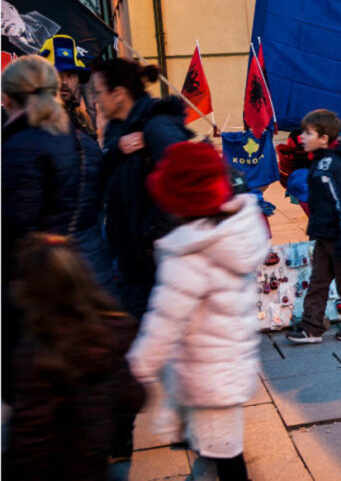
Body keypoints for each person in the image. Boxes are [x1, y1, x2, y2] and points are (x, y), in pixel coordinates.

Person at [127, 141, 268, 481]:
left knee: (223, 451)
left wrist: (137, 368)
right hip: (230, 362)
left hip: (205, 374)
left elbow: (164, 321)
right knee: (222, 446)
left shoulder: (190, 256)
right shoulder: (235, 231)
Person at [2, 56, 117, 404]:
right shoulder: (82, 140)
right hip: (93, 269)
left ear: (9, 97)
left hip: (45, 283)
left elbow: (15, 228)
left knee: (48, 389)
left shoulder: (20, 146)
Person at [4, 234, 145, 480]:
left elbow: (29, 438)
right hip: (94, 461)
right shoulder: (110, 332)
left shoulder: (38, 351)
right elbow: (133, 397)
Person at [93, 58, 191, 320]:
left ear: (119, 94)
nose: (96, 100)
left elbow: (186, 186)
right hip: (131, 265)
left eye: (98, 92)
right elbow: (104, 179)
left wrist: (147, 236)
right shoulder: (117, 132)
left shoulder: (157, 127)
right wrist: (115, 151)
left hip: (159, 266)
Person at [286, 109, 341, 344]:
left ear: (324, 138)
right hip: (326, 233)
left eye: (308, 133)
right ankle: (312, 327)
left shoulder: (334, 164)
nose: (302, 137)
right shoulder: (322, 161)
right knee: (318, 281)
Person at [37, 34, 98, 138]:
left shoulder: (83, 122)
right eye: (58, 74)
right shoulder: (29, 119)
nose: (64, 82)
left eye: (70, 75)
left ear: (78, 80)